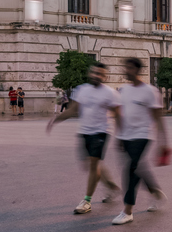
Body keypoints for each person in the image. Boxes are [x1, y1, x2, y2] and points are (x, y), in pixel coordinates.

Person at [47, 61, 122, 215]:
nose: (96, 76)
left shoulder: (110, 93)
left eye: (100, 74)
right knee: (91, 165)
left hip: (101, 132)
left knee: (94, 165)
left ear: (105, 77)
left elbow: (118, 114)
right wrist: (55, 120)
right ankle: (112, 187)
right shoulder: (81, 90)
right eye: (94, 72)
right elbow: (73, 110)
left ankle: (87, 201)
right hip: (84, 132)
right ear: (90, 73)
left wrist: (122, 135)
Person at [112, 58, 168, 225]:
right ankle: (154, 191)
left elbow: (159, 118)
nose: (125, 71)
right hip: (126, 135)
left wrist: (163, 141)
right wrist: (119, 135)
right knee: (137, 168)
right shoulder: (123, 90)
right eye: (125, 67)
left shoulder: (150, 91)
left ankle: (127, 211)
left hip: (143, 135)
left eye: (129, 68)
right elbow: (120, 114)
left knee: (131, 169)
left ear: (137, 70)